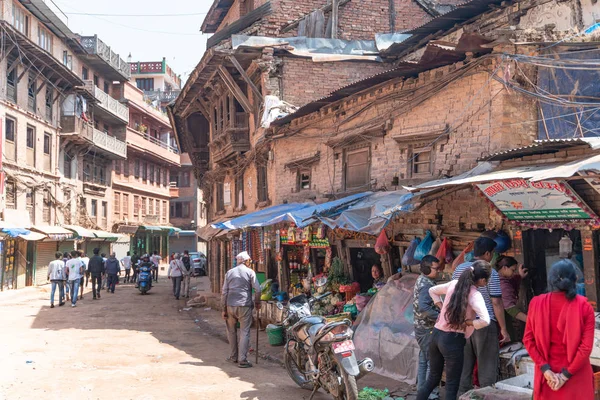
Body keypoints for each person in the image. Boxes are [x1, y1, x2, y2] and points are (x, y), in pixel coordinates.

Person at [417, 261, 491, 400]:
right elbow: (485, 320)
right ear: (481, 280)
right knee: (451, 385)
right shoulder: (475, 295)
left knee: (432, 379)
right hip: (453, 340)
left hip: (437, 335)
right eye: (487, 279)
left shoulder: (453, 283)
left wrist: (441, 308)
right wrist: (468, 322)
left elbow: (432, 291)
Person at [523, 260, 594, 399]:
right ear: (576, 279)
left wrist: (545, 369)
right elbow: (585, 348)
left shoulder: (536, 303)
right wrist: (565, 375)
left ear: (551, 280)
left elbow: (528, 340)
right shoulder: (584, 306)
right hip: (576, 377)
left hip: (548, 379)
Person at [453, 237, 508, 394]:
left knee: (464, 370)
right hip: (484, 325)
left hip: (462, 324)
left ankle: (462, 397)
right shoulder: (490, 272)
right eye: (492, 253)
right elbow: (496, 302)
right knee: (487, 369)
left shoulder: (459, 269)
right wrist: (503, 329)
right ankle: (486, 396)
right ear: (487, 254)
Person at [221, 251, 261, 368]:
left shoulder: (229, 272)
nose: (250, 263)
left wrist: (223, 308)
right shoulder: (250, 272)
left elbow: (224, 292)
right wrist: (257, 302)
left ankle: (233, 357)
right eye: (249, 261)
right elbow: (257, 290)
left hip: (230, 305)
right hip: (244, 306)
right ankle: (242, 359)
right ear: (245, 261)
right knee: (245, 332)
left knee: (231, 331)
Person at [413, 255, 441, 400]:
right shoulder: (426, 285)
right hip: (426, 328)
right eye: (436, 268)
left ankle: (422, 392)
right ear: (426, 268)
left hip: (420, 327)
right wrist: (441, 317)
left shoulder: (423, 279)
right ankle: (432, 394)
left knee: (424, 359)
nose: (439, 271)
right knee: (432, 362)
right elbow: (424, 307)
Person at [496, 256, 528, 341]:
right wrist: (530, 321)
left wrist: (520, 276)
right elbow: (511, 309)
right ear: (505, 268)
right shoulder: (503, 285)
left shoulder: (498, 277)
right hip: (498, 321)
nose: (514, 273)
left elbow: (513, 279)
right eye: (513, 270)